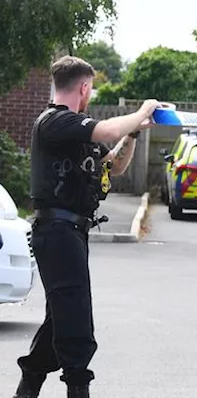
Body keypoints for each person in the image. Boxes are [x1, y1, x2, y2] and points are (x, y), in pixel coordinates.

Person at [15, 56, 160, 398]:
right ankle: (77, 386)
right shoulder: (55, 122)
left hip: (72, 233)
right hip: (57, 231)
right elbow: (108, 128)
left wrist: (134, 134)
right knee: (76, 318)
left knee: (61, 317)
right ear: (83, 87)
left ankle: (28, 387)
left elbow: (115, 166)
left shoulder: (76, 131)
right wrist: (142, 111)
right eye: (90, 88)